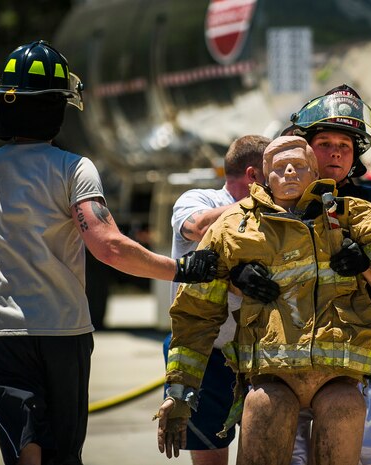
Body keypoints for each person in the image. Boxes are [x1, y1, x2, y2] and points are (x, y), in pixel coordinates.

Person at [0, 40, 217, 465]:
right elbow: (109, 247)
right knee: (62, 454)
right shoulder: (73, 169)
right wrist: (179, 269)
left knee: (23, 449)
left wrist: (7, 257)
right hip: (61, 332)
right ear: (59, 107)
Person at [156, 135, 371, 465]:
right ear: (261, 176)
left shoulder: (352, 217)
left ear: (315, 174)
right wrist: (180, 390)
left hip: (338, 376)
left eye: (299, 165)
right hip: (272, 378)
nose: (289, 172)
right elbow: (195, 312)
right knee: (265, 407)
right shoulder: (234, 228)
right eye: (279, 167)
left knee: (345, 406)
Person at [281, 84, 371, 465]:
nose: (337, 151)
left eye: (346, 144)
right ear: (305, 146)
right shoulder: (275, 201)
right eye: (325, 142)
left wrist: (366, 263)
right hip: (282, 365)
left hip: (353, 365)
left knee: (362, 456)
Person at [163, 134, 274, 465]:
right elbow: (197, 227)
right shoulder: (199, 199)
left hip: (258, 356)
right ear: (254, 176)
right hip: (204, 357)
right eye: (275, 172)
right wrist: (261, 202)